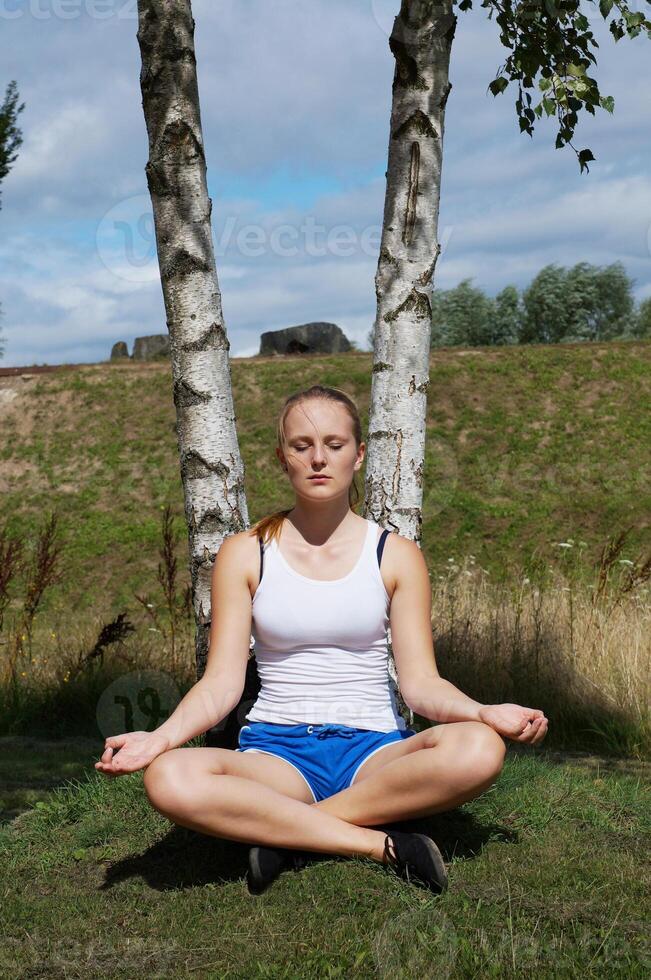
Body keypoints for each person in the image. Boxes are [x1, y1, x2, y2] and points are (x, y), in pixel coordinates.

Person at [95, 384, 548, 894]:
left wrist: (483, 712)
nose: (318, 459)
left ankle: (285, 835)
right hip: (276, 754)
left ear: (358, 456)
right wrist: (158, 740)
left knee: (480, 749)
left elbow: (420, 685)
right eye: (301, 445)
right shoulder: (246, 552)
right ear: (282, 457)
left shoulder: (395, 555)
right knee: (168, 777)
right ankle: (379, 844)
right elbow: (222, 683)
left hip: (377, 754)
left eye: (334, 445)